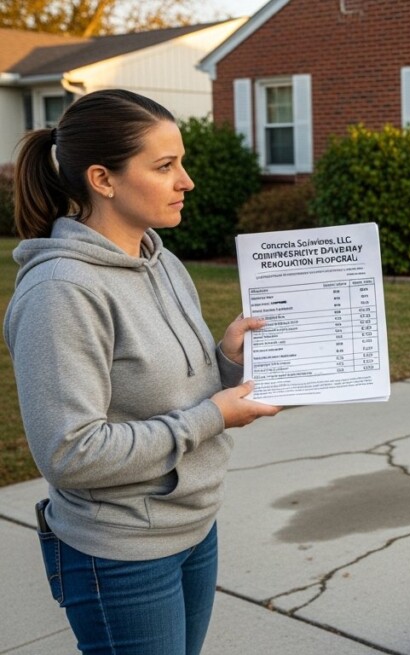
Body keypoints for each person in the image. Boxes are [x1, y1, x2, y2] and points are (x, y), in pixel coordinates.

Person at [3, 89, 280, 655]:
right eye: (164, 166)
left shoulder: (161, 259)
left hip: (194, 525)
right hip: (120, 551)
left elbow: (166, 388)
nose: (187, 181)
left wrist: (224, 359)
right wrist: (209, 418)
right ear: (103, 179)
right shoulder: (62, 292)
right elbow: (70, 453)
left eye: (181, 162)